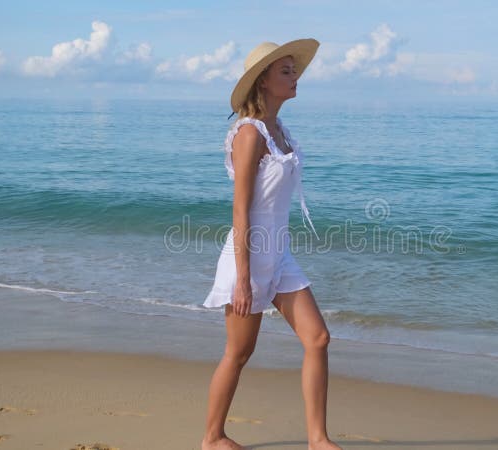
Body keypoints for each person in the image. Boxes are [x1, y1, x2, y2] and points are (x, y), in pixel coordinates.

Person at [200, 39, 342, 450]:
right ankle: (211, 438)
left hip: (278, 252)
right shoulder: (250, 134)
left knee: (318, 338)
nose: (295, 76)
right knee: (238, 353)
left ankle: (317, 438)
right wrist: (243, 279)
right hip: (249, 256)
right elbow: (240, 211)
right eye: (285, 71)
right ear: (263, 80)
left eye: (294, 70)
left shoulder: (280, 131)